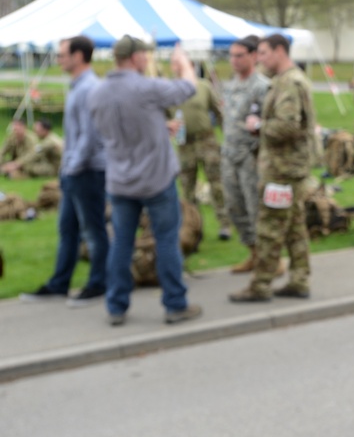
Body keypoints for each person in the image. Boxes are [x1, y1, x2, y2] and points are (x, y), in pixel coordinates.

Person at [88, 35, 203, 327]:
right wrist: (185, 66)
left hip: (120, 180)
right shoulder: (145, 87)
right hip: (155, 179)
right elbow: (188, 87)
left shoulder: (98, 93)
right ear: (136, 57)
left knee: (121, 243)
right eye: (145, 55)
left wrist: (157, 126)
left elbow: (115, 129)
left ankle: (116, 306)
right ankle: (175, 304)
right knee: (166, 241)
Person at [19, 35, 109, 308]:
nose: (58, 60)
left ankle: (99, 284)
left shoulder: (89, 88)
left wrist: (72, 167)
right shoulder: (77, 86)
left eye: (62, 55)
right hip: (74, 172)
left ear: (79, 56)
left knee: (93, 231)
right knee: (67, 229)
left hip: (87, 172)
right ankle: (59, 284)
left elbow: (90, 136)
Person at [229, 33, 316, 303]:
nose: (261, 58)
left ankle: (261, 285)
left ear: (280, 51)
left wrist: (259, 126)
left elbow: (288, 126)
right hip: (291, 167)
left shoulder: (289, 83)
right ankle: (299, 279)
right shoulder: (288, 80)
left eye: (264, 52)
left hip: (281, 169)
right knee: (295, 228)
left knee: (269, 228)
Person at [221, 35, 272, 274]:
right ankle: (253, 253)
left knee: (256, 210)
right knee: (234, 206)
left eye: (239, 55)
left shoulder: (262, 86)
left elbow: (270, 122)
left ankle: (270, 260)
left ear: (253, 56)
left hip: (251, 158)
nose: (234, 60)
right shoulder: (229, 86)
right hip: (229, 155)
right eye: (231, 55)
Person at [169, 72, 231, 240]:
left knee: (217, 183)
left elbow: (219, 112)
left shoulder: (203, 86)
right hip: (184, 144)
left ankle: (225, 224)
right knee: (187, 187)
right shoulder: (169, 90)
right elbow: (162, 118)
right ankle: (192, 227)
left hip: (206, 141)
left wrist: (228, 136)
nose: (177, 67)